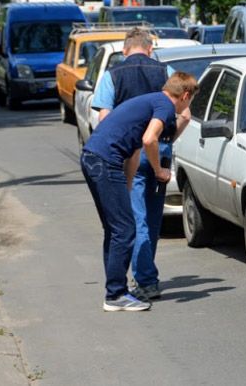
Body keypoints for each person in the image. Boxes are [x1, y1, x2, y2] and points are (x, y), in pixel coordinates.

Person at [81, 72, 198, 311]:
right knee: (125, 230)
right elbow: (149, 140)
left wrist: (127, 184)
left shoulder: (152, 101)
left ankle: (115, 290)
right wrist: (159, 171)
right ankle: (115, 295)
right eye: (191, 100)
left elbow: (134, 152)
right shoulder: (165, 107)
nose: (188, 106)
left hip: (93, 157)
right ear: (185, 95)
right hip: (105, 161)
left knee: (115, 229)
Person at [92, 27, 190, 302]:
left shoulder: (112, 75)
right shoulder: (166, 71)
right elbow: (185, 115)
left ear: (125, 50)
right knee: (153, 218)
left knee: (135, 219)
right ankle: (147, 276)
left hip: (130, 155)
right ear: (150, 49)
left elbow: (104, 119)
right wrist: (166, 139)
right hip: (159, 155)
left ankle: (143, 282)